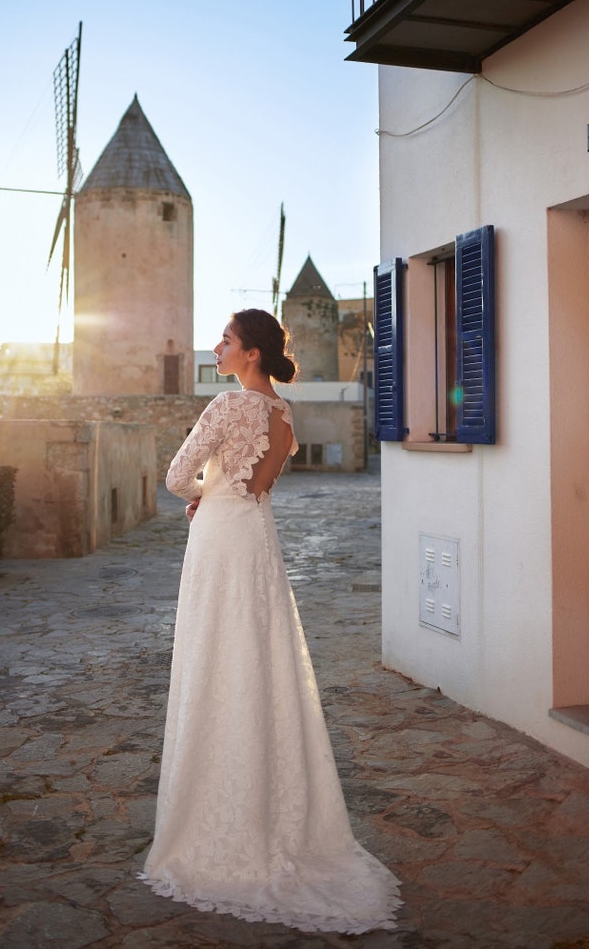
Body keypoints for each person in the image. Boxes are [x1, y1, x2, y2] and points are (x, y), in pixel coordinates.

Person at [140, 308, 401, 934]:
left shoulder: (227, 407)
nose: (217, 347)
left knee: (214, 658)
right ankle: (273, 802)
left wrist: (201, 493)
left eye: (226, 340)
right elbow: (260, 487)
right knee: (260, 657)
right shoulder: (285, 414)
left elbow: (178, 477)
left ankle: (217, 809)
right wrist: (222, 490)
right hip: (257, 540)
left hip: (219, 538)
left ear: (251, 353)